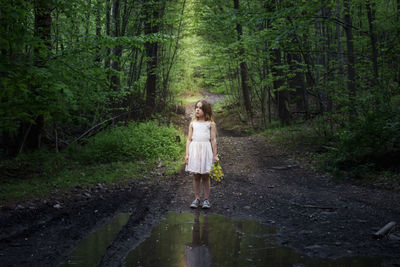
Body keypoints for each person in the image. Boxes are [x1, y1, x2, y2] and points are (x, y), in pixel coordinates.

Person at [185, 100, 218, 209]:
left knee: (205, 176)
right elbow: (189, 139)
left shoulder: (210, 124)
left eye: (200, 108)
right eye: (196, 107)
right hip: (194, 151)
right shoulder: (193, 123)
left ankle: (206, 200)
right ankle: (197, 198)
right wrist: (187, 154)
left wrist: (215, 155)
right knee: (195, 176)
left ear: (206, 110)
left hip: (206, 151)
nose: (197, 110)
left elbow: (213, 140)